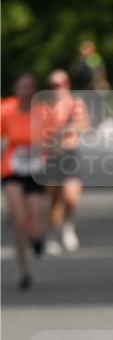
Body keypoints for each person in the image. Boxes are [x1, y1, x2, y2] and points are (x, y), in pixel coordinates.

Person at [1, 73, 48, 289]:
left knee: (36, 221)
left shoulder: (42, 112)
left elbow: (52, 138)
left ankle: (37, 239)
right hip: (11, 168)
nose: (24, 90)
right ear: (16, 87)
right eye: (21, 86)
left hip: (35, 169)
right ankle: (24, 271)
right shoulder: (5, 109)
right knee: (19, 220)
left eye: (29, 86)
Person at [42, 69, 90, 254]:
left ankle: (68, 226)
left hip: (69, 153)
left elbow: (85, 124)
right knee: (54, 198)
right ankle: (53, 234)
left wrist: (70, 127)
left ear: (67, 85)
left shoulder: (75, 103)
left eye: (60, 84)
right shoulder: (45, 105)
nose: (56, 88)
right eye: (53, 85)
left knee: (71, 196)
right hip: (51, 155)